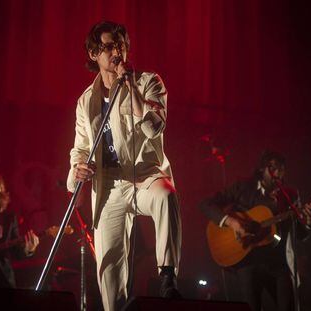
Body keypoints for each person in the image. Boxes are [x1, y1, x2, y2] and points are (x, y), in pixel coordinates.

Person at [66, 21, 182, 310]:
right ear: (94, 54)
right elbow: (80, 147)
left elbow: (156, 127)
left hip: (145, 175)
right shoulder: (86, 101)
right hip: (111, 185)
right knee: (108, 270)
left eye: (120, 44)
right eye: (108, 46)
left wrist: (131, 90)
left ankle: (167, 274)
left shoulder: (148, 82)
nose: (116, 51)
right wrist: (78, 167)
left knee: (166, 195)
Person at [199, 150, 311, 311]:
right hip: (247, 261)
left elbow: (300, 233)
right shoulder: (242, 187)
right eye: (273, 167)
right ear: (263, 168)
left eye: (282, 168)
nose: (278, 172)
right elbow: (206, 204)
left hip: (278, 262)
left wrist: (309, 220)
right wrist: (232, 222)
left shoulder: (289, 195)